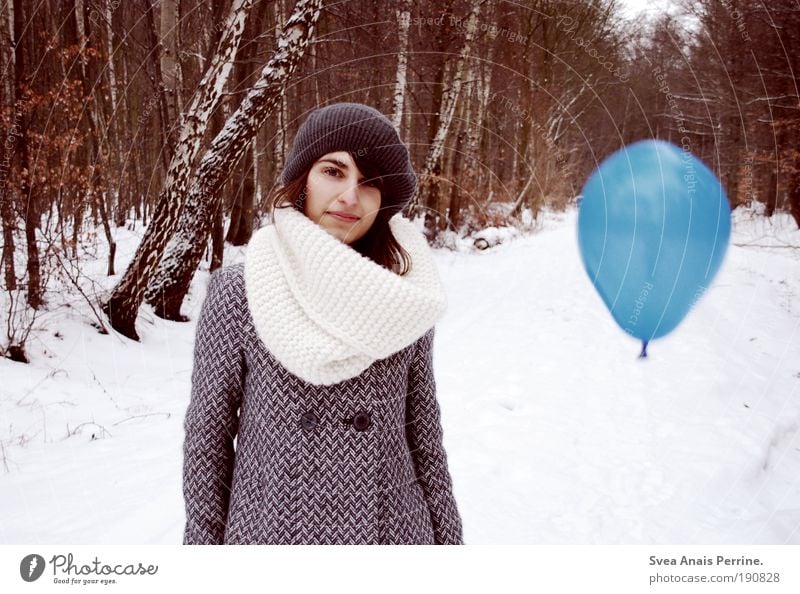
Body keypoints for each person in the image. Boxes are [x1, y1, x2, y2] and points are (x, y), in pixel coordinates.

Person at [182, 102, 464, 545]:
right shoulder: (241, 289)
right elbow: (208, 441)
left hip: (393, 536)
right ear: (303, 181)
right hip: (274, 533)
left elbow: (425, 442)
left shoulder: (405, 296)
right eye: (334, 171)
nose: (350, 195)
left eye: (369, 182)